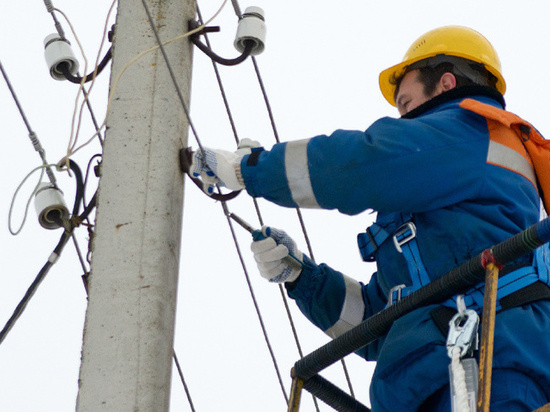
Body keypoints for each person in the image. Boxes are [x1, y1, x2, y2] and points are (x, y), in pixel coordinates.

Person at [190, 26, 550, 411]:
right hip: (436, 373)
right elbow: (378, 321)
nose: (404, 121)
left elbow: (362, 164)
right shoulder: (447, 207)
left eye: (407, 105)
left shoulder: (472, 131)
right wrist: (303, 278)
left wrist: (252, 169)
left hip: (493, 366)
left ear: (446, 83)